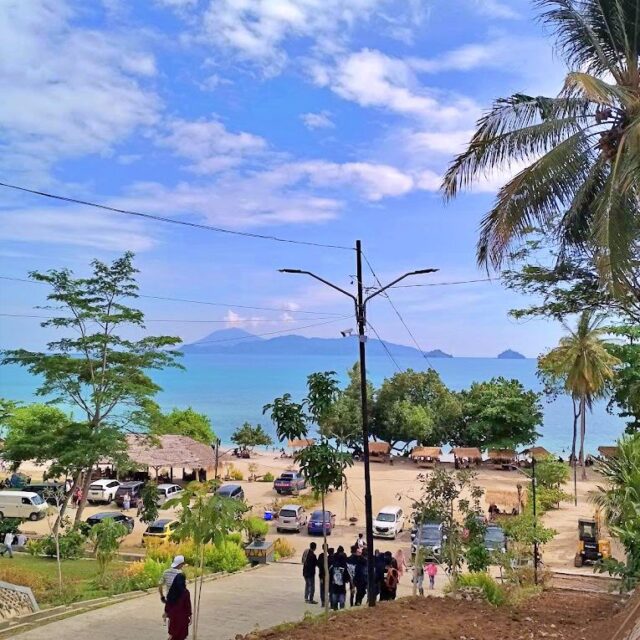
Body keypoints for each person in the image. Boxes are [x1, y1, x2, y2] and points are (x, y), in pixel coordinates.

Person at [164, 572, 191, 640]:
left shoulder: (172, 591)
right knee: (181, 636)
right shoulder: (185, 592)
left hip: (173, 617)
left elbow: (168, 603)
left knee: (172, 635)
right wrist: (190, 615)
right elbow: (188, 605)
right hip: (183, 618)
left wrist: (166, 612)